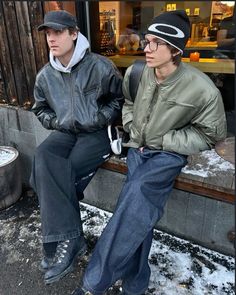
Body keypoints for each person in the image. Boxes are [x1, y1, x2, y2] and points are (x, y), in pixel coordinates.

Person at [72, 10, 227, 295]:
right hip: (137, 149)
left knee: (137, 194)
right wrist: (132, 127)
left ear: (176, 49)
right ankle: (135, 283)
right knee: (137, 211)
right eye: (147, 40)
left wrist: (166, 139)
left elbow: (211, 135)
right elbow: (128, 102)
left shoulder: (203, 90)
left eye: (156, 42)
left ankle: (93, 284)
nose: (147, 47)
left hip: (169, 154)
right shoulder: (137, 72)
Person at [29, 10, 123, 285]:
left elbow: (117, 100)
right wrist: (57, 121)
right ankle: (72, 238)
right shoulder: (46, 75)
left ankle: (60, 242)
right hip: (66, 131)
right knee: (42, 156)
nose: (51, 39)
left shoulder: (100, 66)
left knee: (56, 174)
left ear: (74, 33)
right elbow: (40, 108)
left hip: (96, 133)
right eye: (48, 33)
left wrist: (99, 118)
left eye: (57, 32)